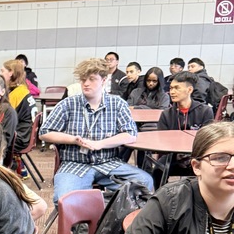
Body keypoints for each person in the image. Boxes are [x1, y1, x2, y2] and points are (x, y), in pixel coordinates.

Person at [39, 57, 154, 203]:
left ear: (104, 80)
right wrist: (73, 140)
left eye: (92, 79)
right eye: (83, 79)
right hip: (74, 163)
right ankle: (83, 222)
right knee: (64, 199)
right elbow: (44, 132)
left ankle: (117, 219)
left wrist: (100, 144)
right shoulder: (68, 104)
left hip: (108, 162)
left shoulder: (117, 104)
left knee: (145, 182)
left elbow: (130, 134)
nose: (86, 83)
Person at [150, 70, 214, 187]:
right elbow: (161, 142)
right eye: (171, 88)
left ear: (189, 90)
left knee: (208, 171)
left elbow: (207, 141)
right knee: (157, 170)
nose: (172, 92)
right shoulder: (166, 114)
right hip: (173, 157)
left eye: (177, 88)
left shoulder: (205, 111)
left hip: (197, 157)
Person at [0, 59, 35, 175]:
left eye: (2, 71)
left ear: (11, 73)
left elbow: (4, 117)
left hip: (20, 138)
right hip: (26, 134)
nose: (0, 74)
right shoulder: (22, 89)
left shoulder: (16, 94)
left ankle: (4, 172)